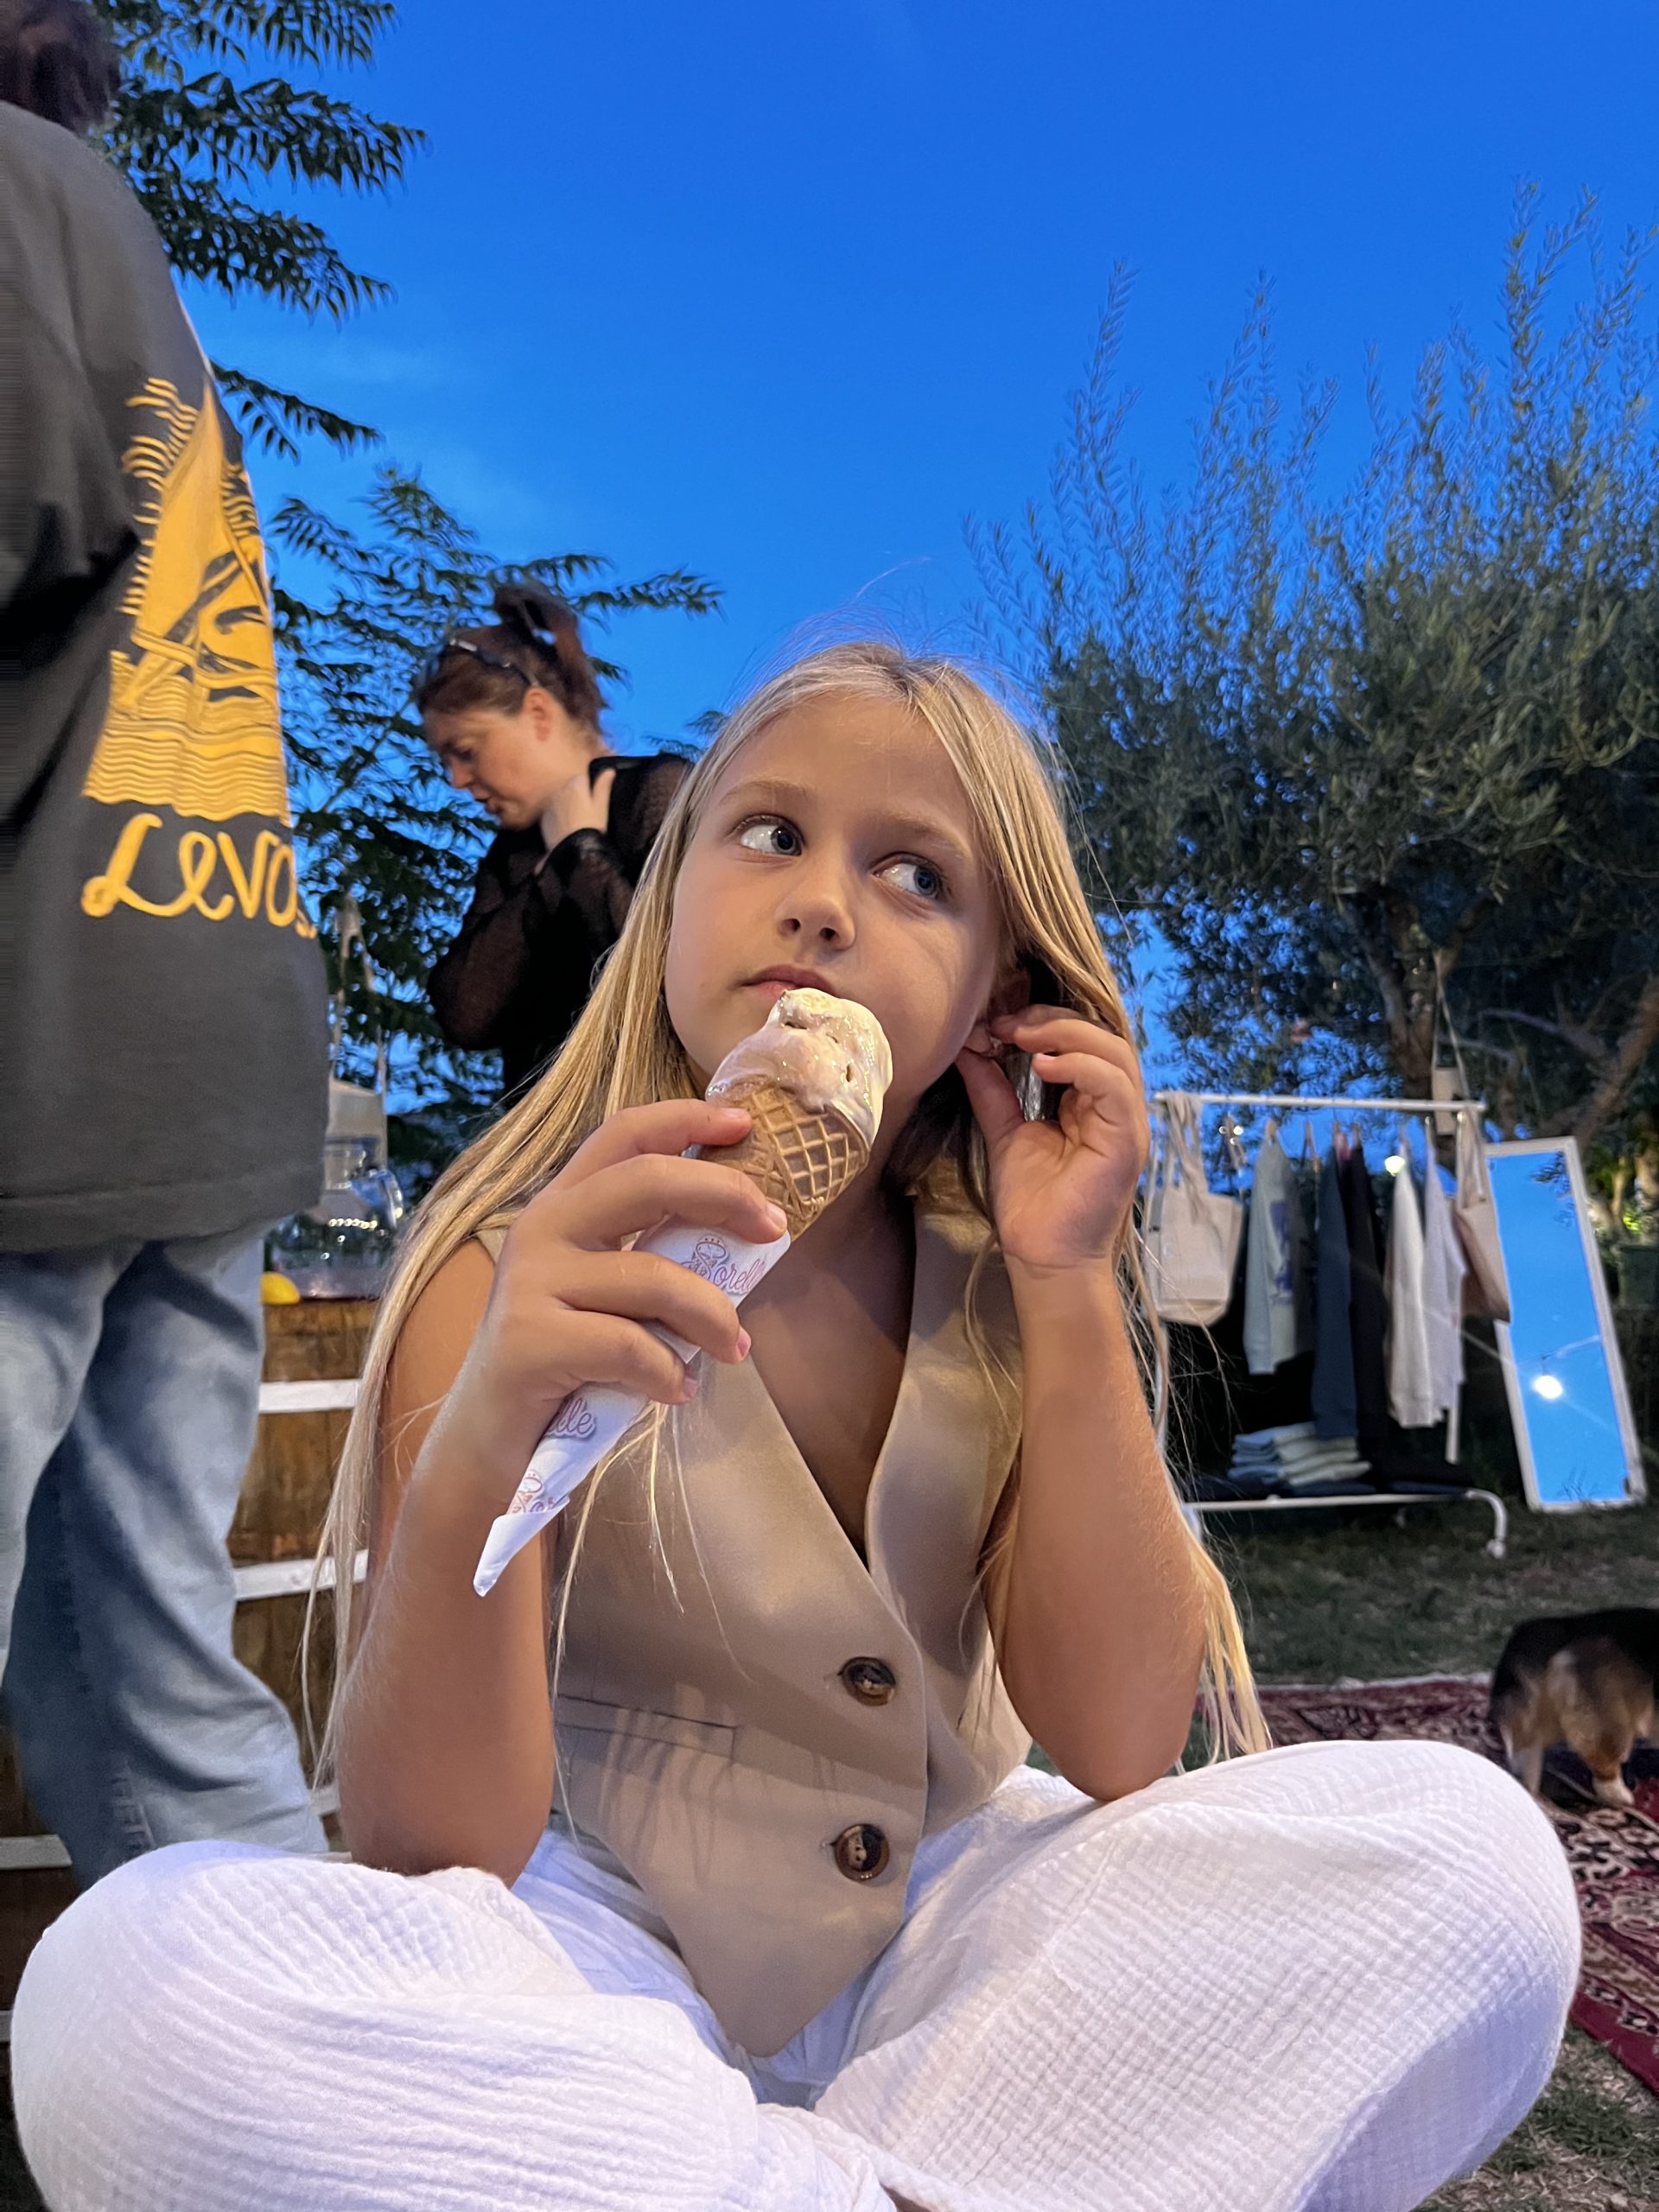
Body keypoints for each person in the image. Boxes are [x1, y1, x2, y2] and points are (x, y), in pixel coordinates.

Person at [13, 645, 1578, 2212]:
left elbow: (1117, 1744)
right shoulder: (509, 1268)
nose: (824, 903)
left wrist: (1067, 1279)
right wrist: (491, 1427)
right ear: (666, 907)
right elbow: (437, 1842)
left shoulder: (1007, 1280)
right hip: (607, 1948)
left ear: (1001, 995)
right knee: (126, 1990)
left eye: (916, 874)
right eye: (769, 834)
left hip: (963, 1936)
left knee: (1479, 1868)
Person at [0, 0, 327, 1883]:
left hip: (36, 1043)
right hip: (194, 1028)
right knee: (154, 1696)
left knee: (144, 1686)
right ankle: (312, 2049)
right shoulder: (109, 240)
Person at [422, 583, 688, 1097]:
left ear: (539, 713)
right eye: (445, 761)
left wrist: (583, 851)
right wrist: (551, 875)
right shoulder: (512, 852)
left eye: (467, 751)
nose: (455, 779)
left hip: (651, 1130)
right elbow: (464, 1015)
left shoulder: (659, 792)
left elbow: (673, 989)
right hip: (544, 1145)